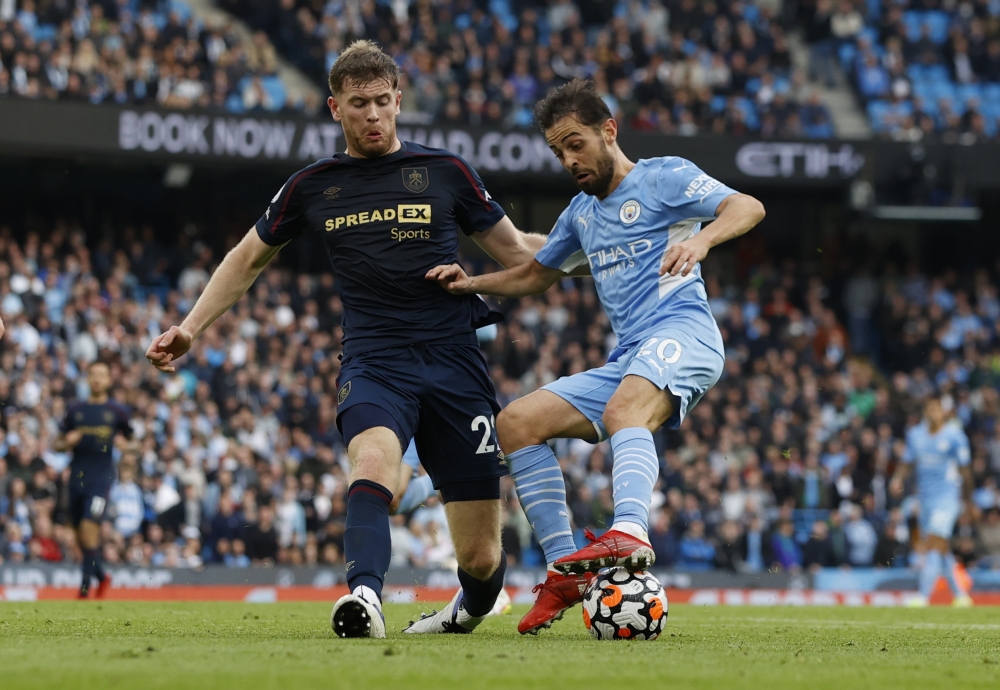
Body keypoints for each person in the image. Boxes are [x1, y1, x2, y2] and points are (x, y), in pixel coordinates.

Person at [145, 40, 547, 639]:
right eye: (360, 104)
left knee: (482, 559)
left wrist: (606, 250)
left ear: (399, 100)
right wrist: (191, 326)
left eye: (383, 102)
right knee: (375, 460)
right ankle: (365, 597)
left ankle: (471, 605)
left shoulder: (447, 172)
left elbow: (521, 258)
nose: (374, 115)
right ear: (336, 108)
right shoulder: (313, 185)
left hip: (455, 363)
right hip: (375, 360)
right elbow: (247, 258)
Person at [426, 78, 765, 633]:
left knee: (624, 411)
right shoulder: (581, 213)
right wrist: (471, 283)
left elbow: (747, 206)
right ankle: (568, 570)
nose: (568, 159)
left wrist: (701, 240)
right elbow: (537, 274)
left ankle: (630, 530)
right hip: (631, 355)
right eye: (558, 151)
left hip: (686, 330)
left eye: (575, 143)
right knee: (515, 422)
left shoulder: (665, 176)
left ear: (609, 131)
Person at [53, 361, 134, 598]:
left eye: (102, 375)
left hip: (101, 478)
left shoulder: (117, 411)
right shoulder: (75, 410)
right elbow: (57, 443)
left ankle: (85, 588)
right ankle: (101, 576)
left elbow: (135, 443)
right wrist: (66, 442)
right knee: (79, 535)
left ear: (109, 380)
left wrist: (126, 445)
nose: (97, 379)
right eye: (93, 375)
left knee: (90, 529)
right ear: (88, 379)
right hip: (77, 477)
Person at [890, 395, 975, 607]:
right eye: (930, 409)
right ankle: (960, 596)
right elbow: (907, 462)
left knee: (935, 544)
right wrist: (897, 479)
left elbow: (965, 470)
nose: (933, 413)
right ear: (925, 412)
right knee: (940, 548)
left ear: (943, 412)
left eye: (937, 409)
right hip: (925, 499)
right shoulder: (915, 435)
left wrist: (969, 502)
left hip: (947, 498)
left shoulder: (955, 436)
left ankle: (923, 595)